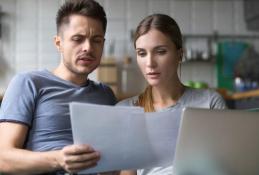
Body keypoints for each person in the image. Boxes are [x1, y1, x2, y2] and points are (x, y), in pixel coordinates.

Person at [0, 0, 117, 174]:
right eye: (78, 39)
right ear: (58, 43)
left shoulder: (106, 95)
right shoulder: (29, 83)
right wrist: (58, 159)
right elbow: (3, 158)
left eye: (96, 40)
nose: (88, 48)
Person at [117, 14, 226, 175]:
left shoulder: (210, 102)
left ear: (180, 54)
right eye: (142, 53)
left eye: (160, 52)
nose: (150, 63)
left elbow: (225, 165)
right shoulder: (125, 110)